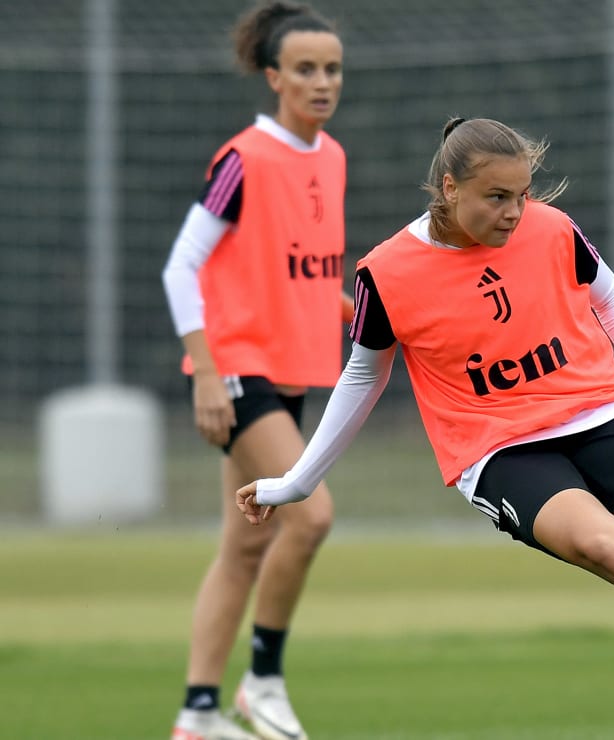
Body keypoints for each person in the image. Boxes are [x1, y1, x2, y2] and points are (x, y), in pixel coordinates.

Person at [235, 117, 614, 740]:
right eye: (497, 197)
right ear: (448, 188)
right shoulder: (385, 273)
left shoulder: (554, 228)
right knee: (607, 546)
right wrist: (299, 480)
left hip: (598, 414)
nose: (515, 212)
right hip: (499, 448)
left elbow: (613, 300)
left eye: (523, 195)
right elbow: (363, 379)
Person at [159, 3, 350, 739]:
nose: (321, 81)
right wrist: (205, 371)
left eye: (331, 68)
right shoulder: (244, 158)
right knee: (313, 514)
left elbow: (304, 276)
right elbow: (183, 266)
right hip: (236, 369)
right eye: (305, 69)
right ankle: (262, 682)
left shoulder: (329, 157)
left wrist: (364, 318)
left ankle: (196, 714)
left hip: (290, 373)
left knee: (245, 544)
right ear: (273, 77)